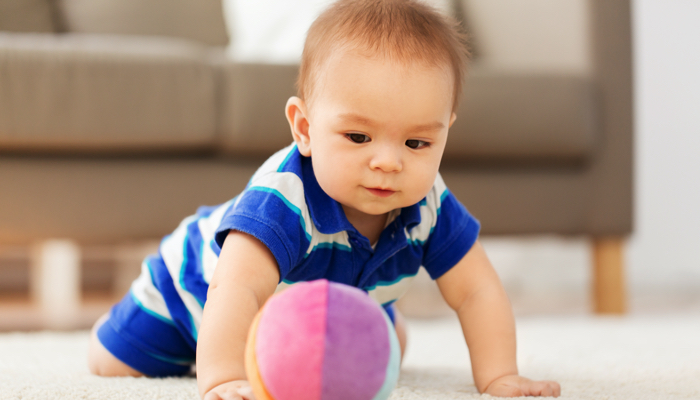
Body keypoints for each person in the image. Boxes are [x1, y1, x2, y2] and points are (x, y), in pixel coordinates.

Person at [87, 0, 561, 398]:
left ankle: (349, 316)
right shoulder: (284, 199)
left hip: (314, 306)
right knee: (110, 361)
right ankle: (194, 348)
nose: (388, 162)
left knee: (384, 342)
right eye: (358, 137)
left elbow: (476, 290)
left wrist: (499, 375)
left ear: (445, 133)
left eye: (417, 144)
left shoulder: (430, 205)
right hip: (190, 294)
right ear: (305, 129)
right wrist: (226, 378)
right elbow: (236, 290)